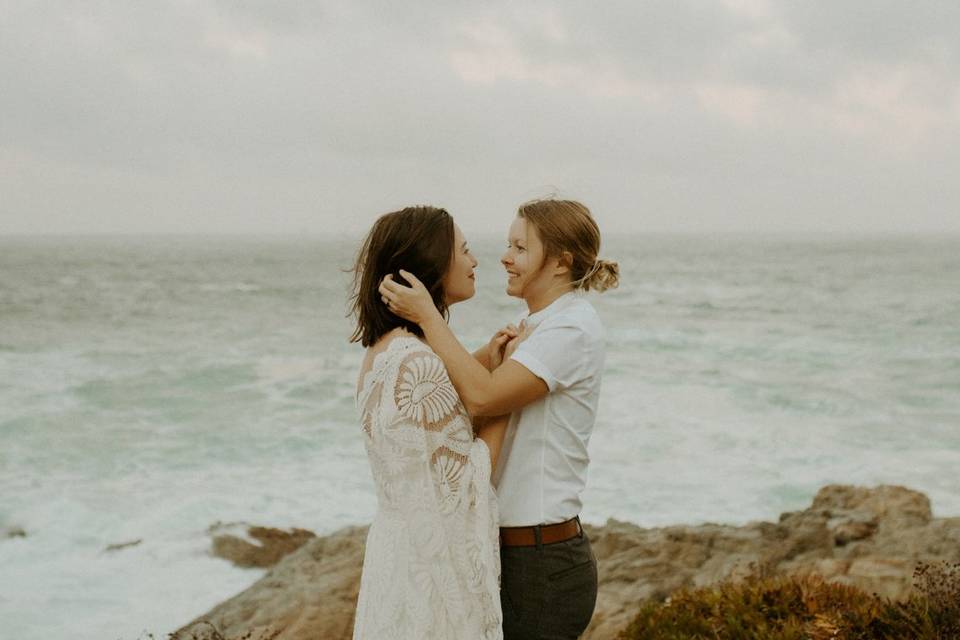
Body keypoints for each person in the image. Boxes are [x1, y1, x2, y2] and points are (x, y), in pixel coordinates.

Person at [380, 198, 619, 639]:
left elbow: (484, 398)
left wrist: (428, 316)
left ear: (561, 262)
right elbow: (459, 404)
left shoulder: (571, 329)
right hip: (511, 553)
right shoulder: (538, 325)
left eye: (520, 248)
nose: (505, 257)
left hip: (541, 562)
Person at [349, 206, 508, 640]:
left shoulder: (385, 351)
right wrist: (503, 397)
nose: (476, 262)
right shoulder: (415, 362)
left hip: (397, 556)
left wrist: (478, 362)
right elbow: (463, 485)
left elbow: (421, 443)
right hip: (431, 574)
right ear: (430, 265)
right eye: (465, 250)